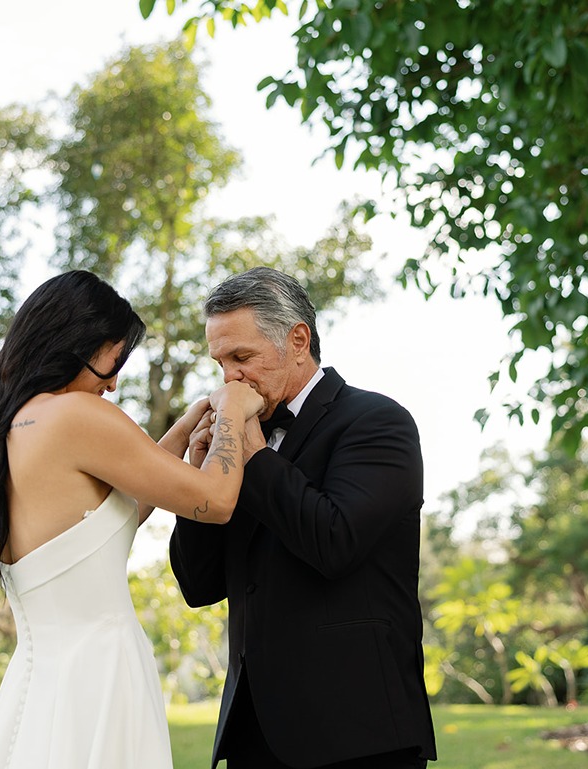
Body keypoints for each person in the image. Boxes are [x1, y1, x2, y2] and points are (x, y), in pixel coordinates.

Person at [0, 270, 264, 769]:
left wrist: (185, 429)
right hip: (102, 678)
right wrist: (235, 413)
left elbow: (111, 520)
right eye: (111, 365)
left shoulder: (7, 430)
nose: (112, 385)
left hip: (38, 687)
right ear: (72, 347)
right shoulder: (76, 416)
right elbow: (216, 501)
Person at [170, 267, 438, 769]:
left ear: (298, 340)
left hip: (359, 734)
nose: (229, 378)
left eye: (242, 357)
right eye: (220, 361)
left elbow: (334, 541)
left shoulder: (378, 422)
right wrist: (201, 473)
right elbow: (199, 584)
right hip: (252, 736)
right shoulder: (238, 440)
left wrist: (251, 454)